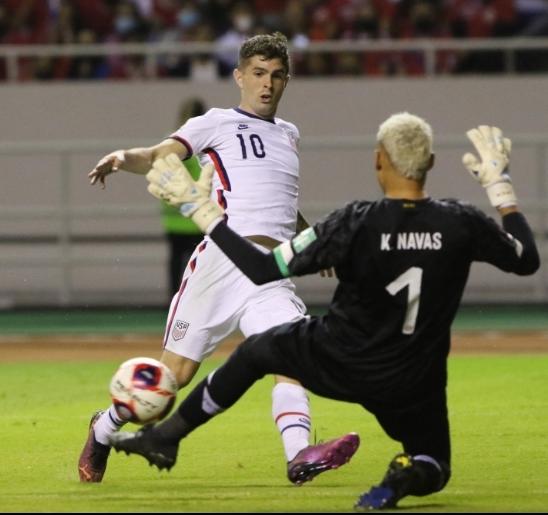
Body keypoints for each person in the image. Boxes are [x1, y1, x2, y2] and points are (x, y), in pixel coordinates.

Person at [108, 115, 540, 509]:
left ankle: (166, 436)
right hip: (414, 376)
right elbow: (526, 259)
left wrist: (205, 214)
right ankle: (408, 472)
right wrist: (500, 188)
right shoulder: (460, 221)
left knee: (259, 351)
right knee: (434, 462)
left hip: (340, 356)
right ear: (429, 162)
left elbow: (261, 268)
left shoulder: (353, 222)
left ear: (379, 161)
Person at [79, 32, 354, 486]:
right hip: (220, 264)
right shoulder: (217, 122)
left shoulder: (289, 135)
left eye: (277, 75)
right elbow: (157, 156)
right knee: (174, 377)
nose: (267, 84)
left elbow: (278, 198)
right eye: (259, 74)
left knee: (291, 357)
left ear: (287, 80)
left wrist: (307, 235)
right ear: (239, 76)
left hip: (272, 269)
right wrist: (122, 157)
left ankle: (299, 455)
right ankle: (104, 429)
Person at [162, 97, 207, 299]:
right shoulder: (206, 144)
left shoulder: (171, 142)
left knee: (180, 261)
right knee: (193, 262)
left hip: (181, 213)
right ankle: (189, 301)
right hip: (194, 213)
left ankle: (177, 301)